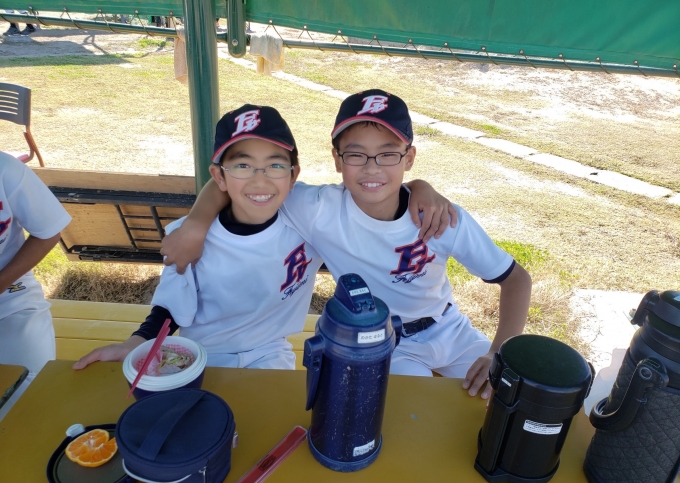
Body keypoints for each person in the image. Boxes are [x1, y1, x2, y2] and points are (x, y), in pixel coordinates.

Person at [162, 90, 532, 399]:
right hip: (385, 341)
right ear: (337, 160)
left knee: (513, 395)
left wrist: (498, 352)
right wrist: (195, 224)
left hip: (448, 326)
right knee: (414, 415)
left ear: (409, 158)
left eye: (388, 154)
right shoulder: (317, 209)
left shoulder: (439, 218)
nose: (372, 168)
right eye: (355, 154)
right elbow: (240, 180)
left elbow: (517, 280)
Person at [72, 104, 450, 371]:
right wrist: (135, 344)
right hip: (201, 354)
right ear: (219, 176)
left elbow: (374, 198)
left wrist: (419, 186)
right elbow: (169, 309)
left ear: (294, 174)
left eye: (274, 165)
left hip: (271, 353)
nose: (260, 180)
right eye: (242, 165)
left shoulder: (311, 222)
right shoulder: (190, 238)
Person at [0, 152, 71, 421]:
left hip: (12, 298)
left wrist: (1, 282)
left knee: (30, 400)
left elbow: (48, 230)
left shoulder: (5, 169)